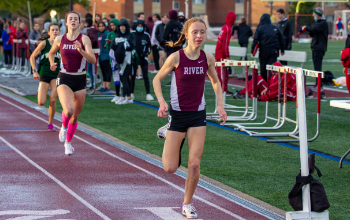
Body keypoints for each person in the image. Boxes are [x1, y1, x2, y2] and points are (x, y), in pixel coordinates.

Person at [153, 17, 227, 219]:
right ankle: (168, 130)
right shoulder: (176, 58)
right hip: (177, 117)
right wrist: (161, 102)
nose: (199, 36)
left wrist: (220, 105)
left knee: (194, 164)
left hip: (197, 116)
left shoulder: (207, 57)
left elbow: (215, 81)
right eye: (195, 32)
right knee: (170, 168)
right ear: (186, 35)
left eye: (202, 32)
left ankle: (187, 204)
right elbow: (157, 79)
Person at [48, 11, 96, 155]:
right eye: (71, 19)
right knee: (68, 110)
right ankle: (63, 126)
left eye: (76, 18)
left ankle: (68, 143)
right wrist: (52, 62)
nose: (73, 21)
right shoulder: (59, 39)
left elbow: (93, 60)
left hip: (80, 79)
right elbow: (51, 53)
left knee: (75, 115)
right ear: (66, 22)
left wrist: (80, 50)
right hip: (64, 78)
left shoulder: (85, 39)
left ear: (79, 22)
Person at [30, 23, 61, 131]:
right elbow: (32, 56)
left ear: (59, 32)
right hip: (44, 73)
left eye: (57, 30)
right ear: (49, 32)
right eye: (53, 30)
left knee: (53, 100)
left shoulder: (61, 44)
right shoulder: (44, 43)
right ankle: (40, 91)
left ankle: (51, 123)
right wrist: (34, 71)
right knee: (41, 102)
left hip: (56, 75)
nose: (55, 32)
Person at [301, 7, 328, 98]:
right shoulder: (318, 22)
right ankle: (318, 84)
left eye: (314, 13)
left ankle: (319, 85)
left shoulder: (323, 23)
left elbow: (314, 30)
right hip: (316, 46)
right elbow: (313, 33)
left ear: (318, 14)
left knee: (318, 67)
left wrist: (307, 28)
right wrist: (308, 30)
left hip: (319, 47)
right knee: (316, 67)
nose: (313, 15)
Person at [251, 14, 285, 82]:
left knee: (263, 69)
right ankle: (271, 84)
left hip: (263, 51)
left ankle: (264, 84)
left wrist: (253, 50)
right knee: (272, 69)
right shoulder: (275, 28)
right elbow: (281, 39)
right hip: (273, 51)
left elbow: (255, 40)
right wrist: (282, 49)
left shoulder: (260, 28)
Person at [110, 18, 134, 104]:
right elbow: (113, 46)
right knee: (123, 78)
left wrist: (124, 46)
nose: (122, 28)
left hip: (127, 60)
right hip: (119, 59)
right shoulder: (117, 35)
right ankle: (128, 97)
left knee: (124, 78)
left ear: (126, 27)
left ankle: (124, 97)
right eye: (120, 26)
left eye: (123, 26)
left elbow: (132, 46)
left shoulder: (130, 35)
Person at [132, 20, 154, 101]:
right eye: (139, 26)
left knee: (145, 76)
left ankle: (148, 94)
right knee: (132, 76)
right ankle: (131, 94)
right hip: (134, 58)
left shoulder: (146, 35)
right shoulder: (132, 34)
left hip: (143, 58)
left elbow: (149, 47)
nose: (140, 28)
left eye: (141, 26)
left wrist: (145, 53)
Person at [215, 12, 236, 96]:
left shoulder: (225, 27)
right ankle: (223, 90)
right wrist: (227, 56)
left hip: (219, 52)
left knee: (224, 72)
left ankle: (224, 89)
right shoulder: (228, 29)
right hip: (221, 54)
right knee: (223, 72)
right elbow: (225, 44)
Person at [105, 18, 121, 102]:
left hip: (121, 58)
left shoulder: (120, 33)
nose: (112, 27)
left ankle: (126, 95)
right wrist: (108, 44)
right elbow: (108, 48)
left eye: (114, 25)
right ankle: (117, 94)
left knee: (123, 77)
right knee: (116, 77)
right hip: (113, 59)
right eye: (111, 25)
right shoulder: (110, 34)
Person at [97, 21, 112, 93]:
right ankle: (104, 86)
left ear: (105, 27)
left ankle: (107, 87)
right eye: (99, 26)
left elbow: (108, 44)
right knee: (103, 71)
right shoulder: (99, 34)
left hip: (106, 55)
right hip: (100, 55)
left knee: (107, 71)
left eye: (102, 26)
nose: (101, 28)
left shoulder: (106, 33)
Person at [86, 18, 99, 89]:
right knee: (90, 69)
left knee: (92, 69)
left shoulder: (91, 30)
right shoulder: (91, 30)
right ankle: (92, 84)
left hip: (92, 51)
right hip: (91, 51)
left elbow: (93, 39)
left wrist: (87, 44)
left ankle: (94, 84)